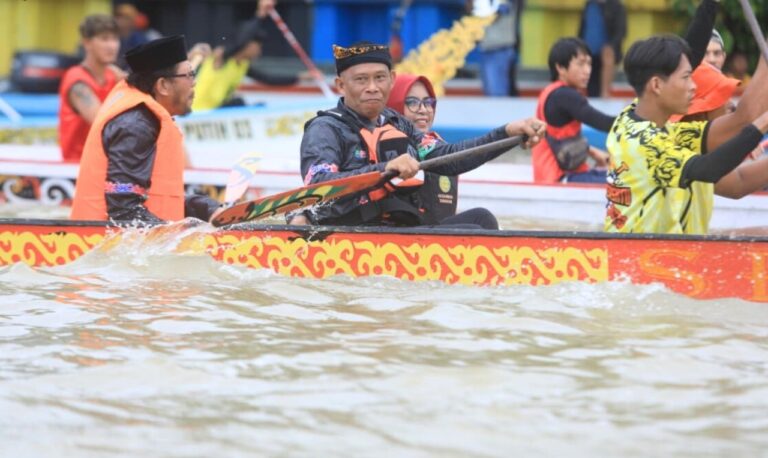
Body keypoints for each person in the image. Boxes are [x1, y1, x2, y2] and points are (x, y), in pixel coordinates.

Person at [298, 41, 544, 229]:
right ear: (341, 85)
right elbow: (319, 183)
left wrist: (506, 133)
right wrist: (385, 168)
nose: (372, 87)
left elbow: (449, 157)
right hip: (355, 231)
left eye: (380, 78)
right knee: (472, 230)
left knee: (482, 219)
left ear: (391, 80)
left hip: (401, 228)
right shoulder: (325, 128)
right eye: (361, 80)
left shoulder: (399, 123)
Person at [604, 0, 768, 234]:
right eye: (686, 78)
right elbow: (711, 167)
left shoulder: (643, 120)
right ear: (656, 85)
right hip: (639, 255)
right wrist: (762, 123)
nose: (693, 86)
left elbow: (690, 56)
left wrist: (710, 4)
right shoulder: (647, 144)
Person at [70, 36, 223, 223]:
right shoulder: (135, 126)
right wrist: (178, 234)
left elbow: (158, 201)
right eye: (190, 75)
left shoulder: (144, 118)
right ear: (163, 85)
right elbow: (124, 211)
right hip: (100, 239)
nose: (194, 82)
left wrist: (207, 208)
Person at [192, 0, 304, 111]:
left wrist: (300, 77)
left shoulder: (243, 66)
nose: (259, 52)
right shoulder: (222, 57)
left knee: (249, 104)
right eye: (258, 47)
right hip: (200, 113)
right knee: (239, 102)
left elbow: (268, 79)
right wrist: (260, 14)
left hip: (217, 112)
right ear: (248, 45)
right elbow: (241, 40)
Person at [531, 37, 615, 183]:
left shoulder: (551, 92)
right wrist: (642, 119)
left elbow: (557, 137)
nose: (587, 71)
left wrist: (592, 151)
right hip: (561, 178)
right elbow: (605, 123)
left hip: (550, 175)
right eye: (581, 64)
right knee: (626, 181)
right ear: (560, 68)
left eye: (589, 64)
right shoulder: (566, 96)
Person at [58, 15, 122, 162]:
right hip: (77, 167)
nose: (112, 46)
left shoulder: (114, 75)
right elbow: (105, 125)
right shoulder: (77, 80)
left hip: (109, 165)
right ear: (87, 43)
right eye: (104, 39)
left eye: (115, 39)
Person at [468, 0, 524, 97]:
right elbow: (471, 9)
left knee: (497, 94)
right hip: (486, 47)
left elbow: (491, 15)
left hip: (500, 48)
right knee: (490, 93)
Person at [578, 0, 626, 98]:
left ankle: (605, 94)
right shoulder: (589, 5)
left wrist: (611, 46)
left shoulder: (616, 6)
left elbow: (621, 31)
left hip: (606, 52)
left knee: (608, 55)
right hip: (589, 51)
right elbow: (582, 29)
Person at [114, 3, 151, 71]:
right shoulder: (113, 37)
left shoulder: (140, 40)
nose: (120, 21)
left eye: (125, 18)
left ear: (132, 21)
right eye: (118, 17)